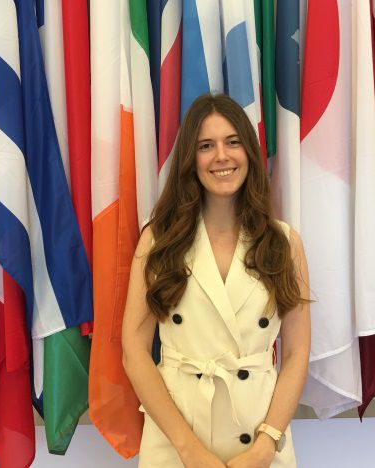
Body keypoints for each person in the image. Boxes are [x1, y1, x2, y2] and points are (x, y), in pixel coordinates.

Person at [122, 94, 311, 468]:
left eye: (233, 142)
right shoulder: (158, 241)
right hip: (176, 443)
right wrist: (189, 450)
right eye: (206, 146)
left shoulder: (284, 242)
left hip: (260, 440)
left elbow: (295, 354)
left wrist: (265, 445)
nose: (221, 157)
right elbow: (134, 349)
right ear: (191, 159)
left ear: (249, 152)